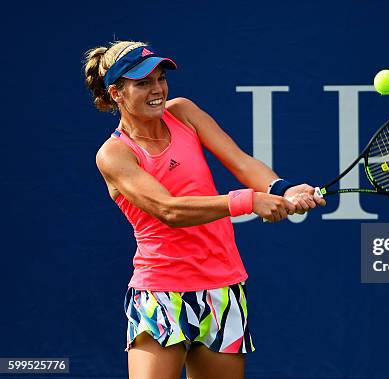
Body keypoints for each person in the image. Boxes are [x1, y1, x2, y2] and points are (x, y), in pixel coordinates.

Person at [83, 40, 325, 379]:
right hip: (161, 293)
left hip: (222, 286)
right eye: (143, 83)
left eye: (160, 78)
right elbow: (169, 210)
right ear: (117, 93)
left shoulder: (183, 112)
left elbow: (241, 161)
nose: (157, 90)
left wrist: (282, 188)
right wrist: (247, 201)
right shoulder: (114, 154)